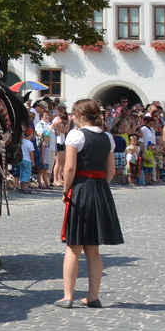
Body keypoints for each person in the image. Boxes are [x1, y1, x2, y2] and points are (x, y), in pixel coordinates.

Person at [57, 98, 124, 308]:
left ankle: (68, 296)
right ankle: (93, 296)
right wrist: (99, 186)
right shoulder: (107, 137)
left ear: (78, 114)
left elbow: (69, 168)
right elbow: (111, 171)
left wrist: (66, 190)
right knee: (93, 249)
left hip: (80, 188)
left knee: (73, 246)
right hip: (100, 189)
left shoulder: (76, 135)